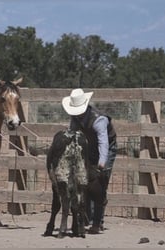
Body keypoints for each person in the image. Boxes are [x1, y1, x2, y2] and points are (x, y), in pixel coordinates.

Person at [61, 88, 117, 234]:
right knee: (83, 181)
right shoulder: (75, 119)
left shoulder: (99, 119)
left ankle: (97, 222)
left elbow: (103, 143)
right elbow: (72, 137)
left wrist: (102, 162)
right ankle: (88, 218)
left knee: (99, 183)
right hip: (88, 148)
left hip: (106, 149)